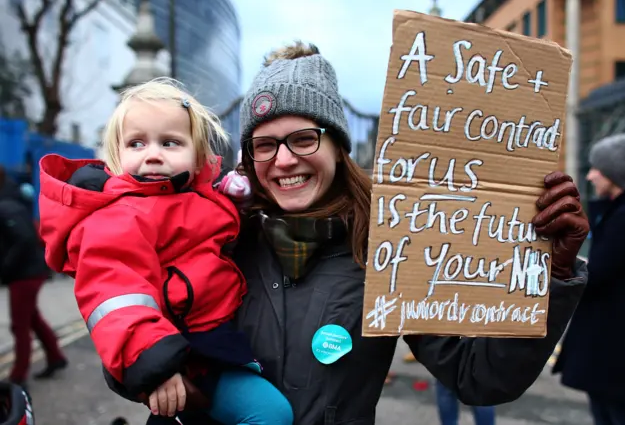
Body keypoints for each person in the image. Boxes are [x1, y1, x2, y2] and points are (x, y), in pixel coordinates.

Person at [148, 42, 590, 425]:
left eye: (303, 138)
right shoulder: (214, 238)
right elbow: (125, 327)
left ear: (338, 147)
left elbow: (479, 377)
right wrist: (172, 382)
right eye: (265, 144)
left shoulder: (388, 250)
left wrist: (551, 272)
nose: (283, 160)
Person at [37, 78, 293, 424]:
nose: (153, 154)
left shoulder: (191, 196)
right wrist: (155, 364)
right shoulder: (119, 216)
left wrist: (239, 199)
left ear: (198, 154)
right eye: (136, 143)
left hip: (216, 340)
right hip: (183, 353)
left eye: (170, 142)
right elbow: (116, 295)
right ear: (117, 153)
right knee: (270, 413)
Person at [552, 133, 625, 425]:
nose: (589, 176)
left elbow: (597, 275)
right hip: (616, 355)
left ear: (615, 174)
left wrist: (562, 262)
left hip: (618, 356)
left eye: (597, 169)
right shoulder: (621, 213)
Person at [0, 166, 67, 388]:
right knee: (32, 319)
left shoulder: (6, 206)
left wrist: (6, 267)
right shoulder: (11, 200)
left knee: (20, 325)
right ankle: (56, 357)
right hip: (28, 271)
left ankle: (17, 378)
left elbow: (24, 239)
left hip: (25, 274)